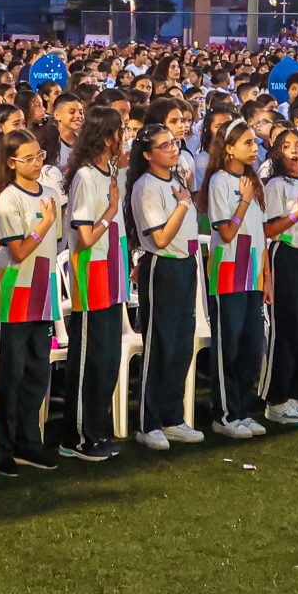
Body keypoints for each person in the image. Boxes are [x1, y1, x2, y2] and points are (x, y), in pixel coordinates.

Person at [0, 132, 60, 474]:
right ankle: (0, 444)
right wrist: (44, 224)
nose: (37, 162)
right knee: (10, 372)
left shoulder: (50, 192)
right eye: (29, 158)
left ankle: (29, 440)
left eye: (39, 155)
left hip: (42, 288)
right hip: (16, 290)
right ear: (12, 163)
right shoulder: (9, 198)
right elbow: (17, 251)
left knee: (37, 371)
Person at [127, 122, 200, 452]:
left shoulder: (176, 179)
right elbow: (159, 238)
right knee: (160, 345)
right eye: (165, 145)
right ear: (147, 154)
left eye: (174, 143)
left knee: (182, 344)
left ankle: (173, 417)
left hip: (185, 264)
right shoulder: (146, 186)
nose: (173, 149)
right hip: (162, 266)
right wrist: (183, 204)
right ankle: (149, 422)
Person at [60, 108, 128, 461]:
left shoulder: (110, 171)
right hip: (91, 275)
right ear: (106, 138)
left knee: (108, 358)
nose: (124, 138)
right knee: (88, 358)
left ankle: (98, 429)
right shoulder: (86, 176)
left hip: (112, 273)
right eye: (120, 132)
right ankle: (78, 436)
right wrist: (110, 212)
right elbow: (84, 237)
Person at [201, 121, 270, 435]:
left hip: (253, 274)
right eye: (247, 143)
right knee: (227, 347)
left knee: (251, 347)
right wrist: (243, 201)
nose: (255, 148)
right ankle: (225, 415)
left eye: (255, 142)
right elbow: (227, 232)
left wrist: (267, 276)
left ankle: (243, 410)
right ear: (229, 148)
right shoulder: (219, 181)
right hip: (228, 272)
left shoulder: (252, 182)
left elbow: (261, 234)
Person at [258, 124, 298, 425]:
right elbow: (269, 229)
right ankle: (276, 398)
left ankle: (296, 394)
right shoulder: (275, 185)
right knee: (287, 327)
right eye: (286, 146)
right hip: (285, 255)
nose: (294, 151)